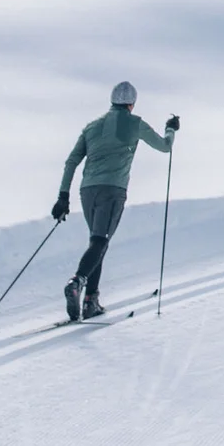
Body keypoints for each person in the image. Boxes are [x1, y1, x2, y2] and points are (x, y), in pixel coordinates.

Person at [53, 81, 178, 320]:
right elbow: (164, 147)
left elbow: (71, 162)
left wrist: (63, 197)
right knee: (100, 241)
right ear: (131, 104)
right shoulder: (135, 123)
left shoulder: (91, 127)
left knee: (97, 243)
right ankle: (77, 282)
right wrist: (170, 129)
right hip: (113, 190)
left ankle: (91, 301)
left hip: (87, 191)